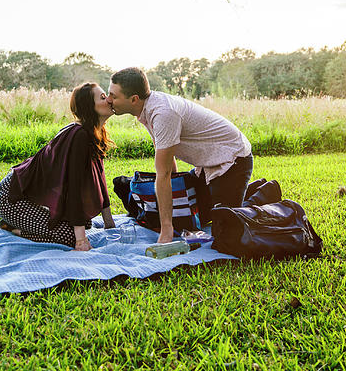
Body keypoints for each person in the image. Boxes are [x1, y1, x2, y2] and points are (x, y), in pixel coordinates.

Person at [107, 67, 253, 244]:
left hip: (232, 160)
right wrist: (175, 212)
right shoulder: (147, 109)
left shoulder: (163, 113)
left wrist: (167, 229)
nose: (108, 100)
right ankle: (239, 195)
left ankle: (259, 196)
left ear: (134, 99)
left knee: (225, 237)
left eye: (113, 96)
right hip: (206, 166)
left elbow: (164, 174)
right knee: (194, 220)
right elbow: (169, 163)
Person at [0, 83, 116, 251]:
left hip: (23, 196)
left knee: (85, 223)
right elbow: (74, 187)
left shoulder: (94, 132)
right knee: (69, 236)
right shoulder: (78, 135)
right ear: (89, 106)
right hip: (12, 198)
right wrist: (80, 241)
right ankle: (13, 228)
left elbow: (99, 177)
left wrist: (109, 223)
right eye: (102, 97)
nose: (109, 100)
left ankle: (24, 224)